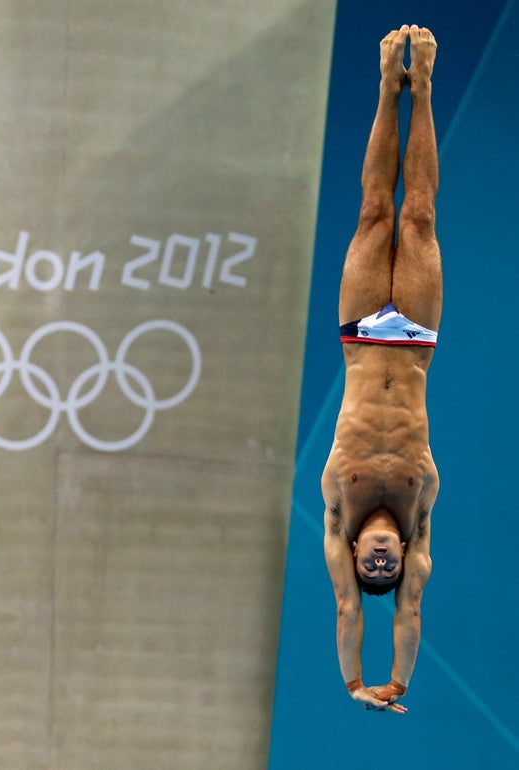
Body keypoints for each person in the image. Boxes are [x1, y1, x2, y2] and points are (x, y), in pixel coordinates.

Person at [321, 24, 441, 715]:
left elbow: (346, 613)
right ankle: (420, 88)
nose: (380, 562)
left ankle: (381, 87)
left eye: (372, 565)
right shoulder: (419, 521)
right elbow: (408, 616)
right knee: (419, 218)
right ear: (399, 564)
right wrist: (398, 681)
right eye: (384, 569)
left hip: (364, 338)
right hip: (416, 341)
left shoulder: (340, 508)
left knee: (373, 213)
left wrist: (354, 683)